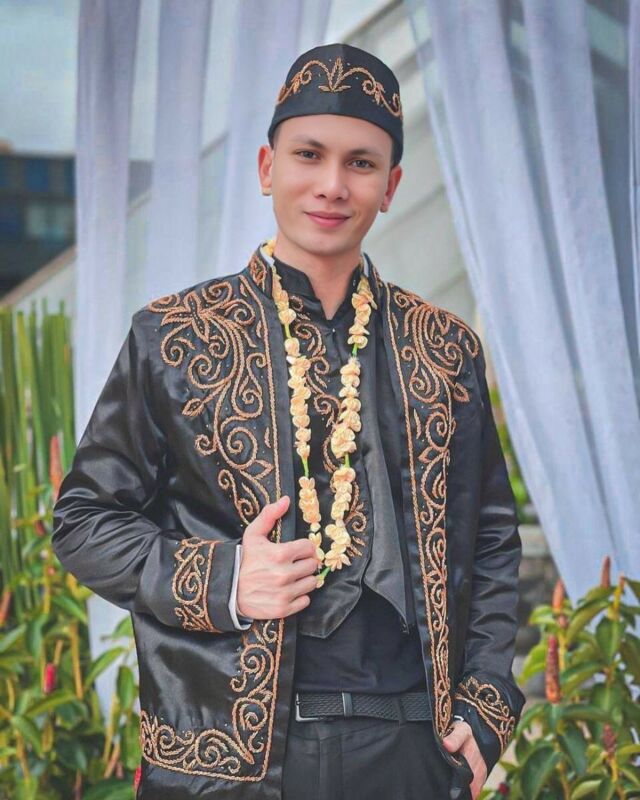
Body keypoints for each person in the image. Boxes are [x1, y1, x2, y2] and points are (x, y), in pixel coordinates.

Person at [52, 43, 525, 800]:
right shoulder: (175, 337)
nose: (332, 184)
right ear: (268, 167)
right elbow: (83, 521)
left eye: (361, 163)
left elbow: (492, 540)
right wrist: (225, 579)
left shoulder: (445, 349)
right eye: (309, 154)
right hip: (226, 765)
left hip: (412, 748)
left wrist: (488, 704)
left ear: (391, 186)